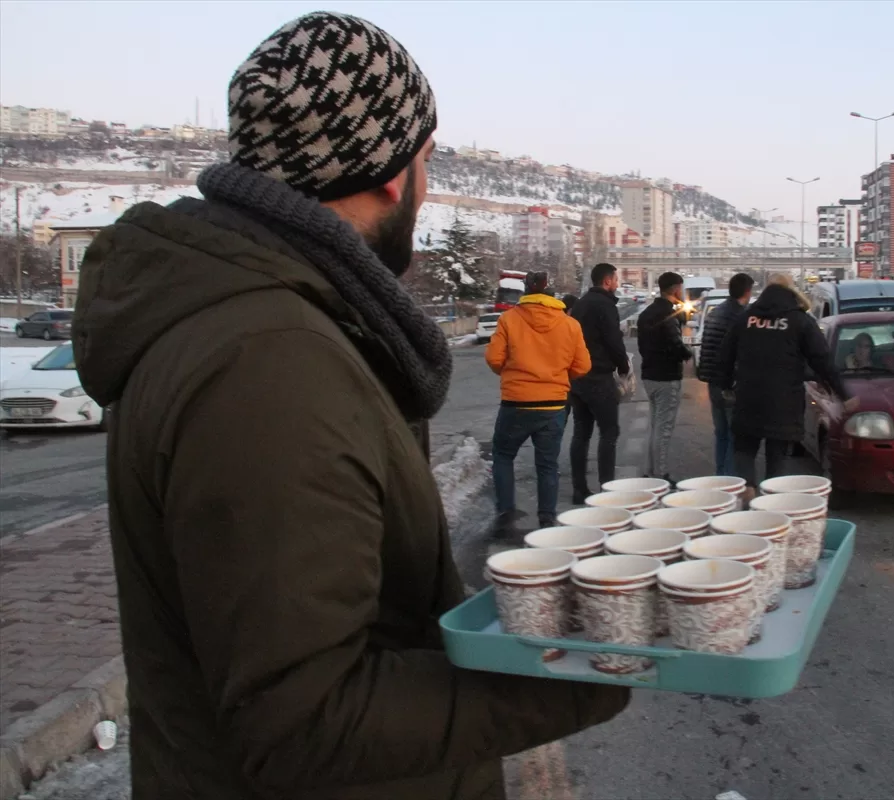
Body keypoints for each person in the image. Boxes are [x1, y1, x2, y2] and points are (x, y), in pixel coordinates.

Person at [70, 13, 627, 799]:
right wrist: (594, 666)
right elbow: (303, 720)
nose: (425, 190)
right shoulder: (266, 363)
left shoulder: (275, 323)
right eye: (426, 160)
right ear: (390, 173)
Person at [717, 273, 854, 493]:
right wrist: (843, 393)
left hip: (748, 398)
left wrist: (725, 385)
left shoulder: (746, 318)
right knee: (777, 457)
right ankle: (771, 500)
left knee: (744, 450)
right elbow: (822, 360)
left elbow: (725, 355)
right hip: (784, 402)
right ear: (791, 291)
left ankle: (748, 489)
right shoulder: (800, 320)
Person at [486, 272, 590, 533]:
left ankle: (506, 510)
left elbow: (494, 359)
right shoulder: (569, 324)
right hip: (553, 404)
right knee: (547, 464)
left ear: (525, 292)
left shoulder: (509, 319)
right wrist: (558, 376)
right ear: (552, 296)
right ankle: (547, 516)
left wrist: (514, 374)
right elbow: (583, 365)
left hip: (516, 402)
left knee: (503, 454)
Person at [568, 263, 631, 503]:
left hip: (577, 378)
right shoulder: (605, 305)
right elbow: (613, 341)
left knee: (581, 433)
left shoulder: (581, 304)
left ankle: (579, 489)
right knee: (609, 432)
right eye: (615, 279)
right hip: (599, 377)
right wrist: (624, 367)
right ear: (607, 281)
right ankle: (607, 489)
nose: (617, 283)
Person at [636, 271, 693, 483]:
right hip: (666, 377)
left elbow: (643, 345)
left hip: (649, 374)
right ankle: (660, 475)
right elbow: (674, 344)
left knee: (654, 425)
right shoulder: (668, 314)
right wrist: (687, 353)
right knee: (664, 427)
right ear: (677, 288)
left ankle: (650, 470)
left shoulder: (646, 313)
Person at [696, 272, 754, 475]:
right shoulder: (741, 317)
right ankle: (729, 480)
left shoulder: (715, 312)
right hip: (731, 383)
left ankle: (720, 474)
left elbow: (706, 348)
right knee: (733, 434)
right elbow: (741, 354)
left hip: (713, 381)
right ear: (747, 292)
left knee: (720, 432)